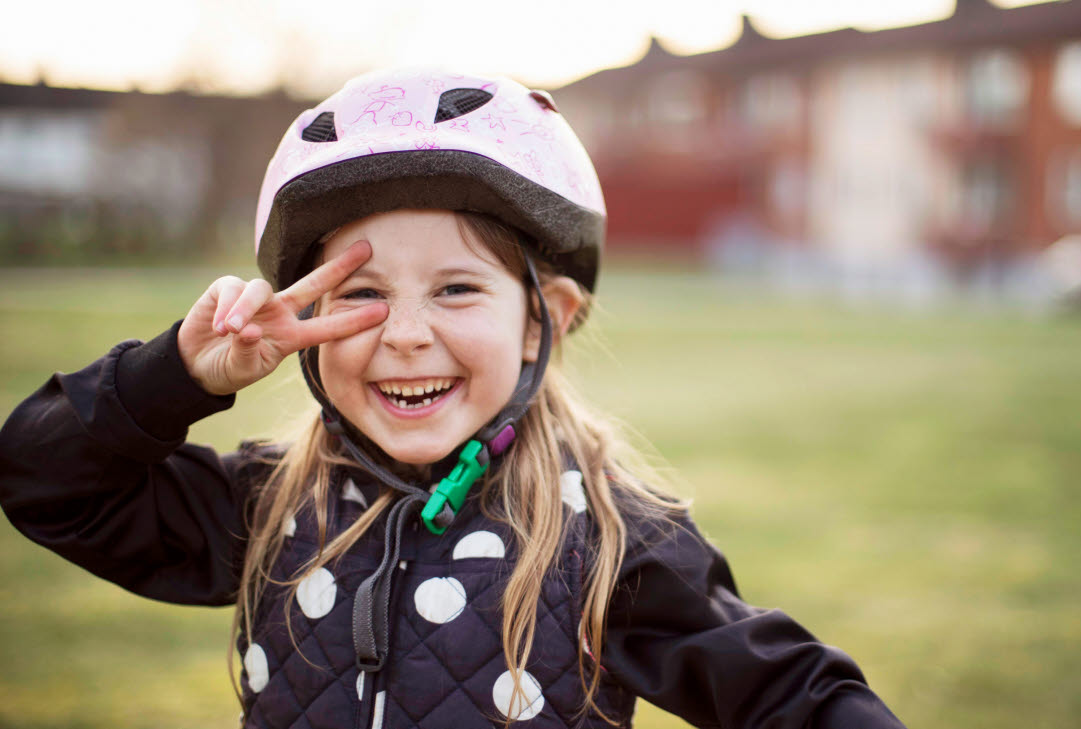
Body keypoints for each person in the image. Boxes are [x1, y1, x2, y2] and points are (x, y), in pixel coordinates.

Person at [0, 67, 906, 729]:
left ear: (540, 318)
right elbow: (42, 479)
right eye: (361, 292)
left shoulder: (607, 540)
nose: (403, 334)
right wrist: (175, 377)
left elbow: (795, 694)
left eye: (456, 288)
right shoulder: (272, 507)